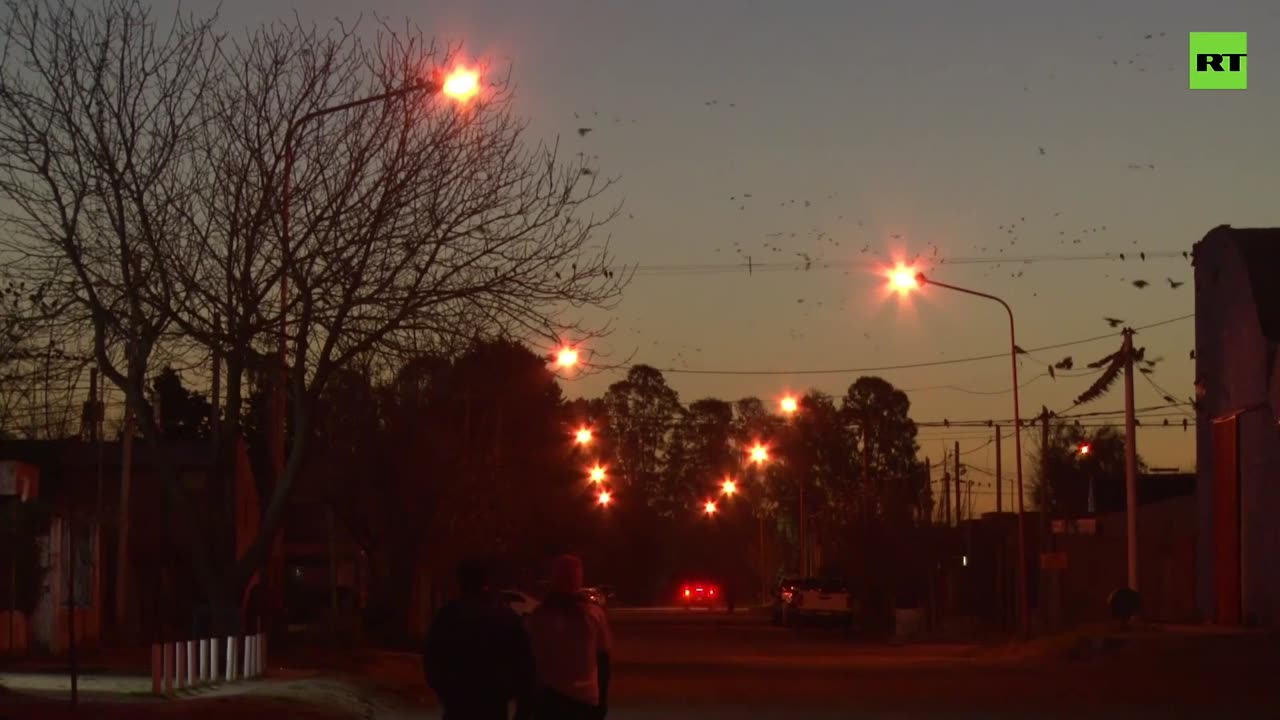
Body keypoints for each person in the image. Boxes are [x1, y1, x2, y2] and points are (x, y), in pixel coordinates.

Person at [423, 558, 536, 720]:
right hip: (493, 706)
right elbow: (525, 665)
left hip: (458, 705)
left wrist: (446, 692)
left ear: (461, 581)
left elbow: (432, 658)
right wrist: (522, 708)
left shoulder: (450, 615)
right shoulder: (505, 616)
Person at [517, 554, 613, 720]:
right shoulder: (592, 615)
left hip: (551, 699)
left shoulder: (540, 616)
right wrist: (602, 699)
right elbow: (603, 659)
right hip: (586, 699)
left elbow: (530, 662)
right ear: (579, 579)